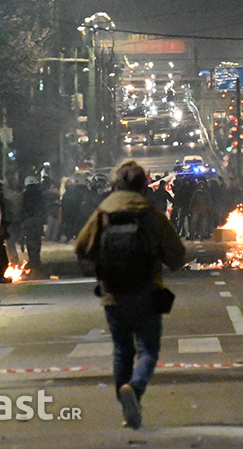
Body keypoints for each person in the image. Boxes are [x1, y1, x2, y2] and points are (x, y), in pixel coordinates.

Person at [74, 160, 185, 430]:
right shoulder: (149, 213)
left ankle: (128, 408)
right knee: (148, 349)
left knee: (122, 350)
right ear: (143, 186)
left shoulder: (103, 212)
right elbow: (177, 256)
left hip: (113, 293)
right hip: (147, 291)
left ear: (117, 185)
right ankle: (134, 391)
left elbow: (81, 247)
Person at [19, 176, 45, 269]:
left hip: (28, 221)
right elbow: (43, 207)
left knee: (29, 240)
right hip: (38, 220)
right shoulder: (40, 194)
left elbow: (21, 209)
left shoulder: (24, 195)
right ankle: (37, 259)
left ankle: (32, 260)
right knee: (37, 240)